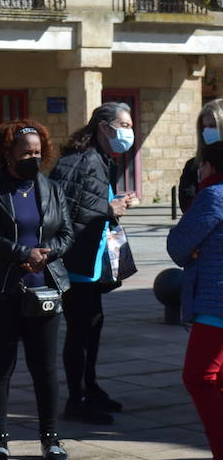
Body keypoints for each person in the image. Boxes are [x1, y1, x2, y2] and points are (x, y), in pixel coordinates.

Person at [0, 120, 74, 460]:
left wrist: (46, 252)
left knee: (44, 367)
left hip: (44, 288)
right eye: (26, 152)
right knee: (0, 365)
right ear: (7, 154)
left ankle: (50, 440)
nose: (33, 158)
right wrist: (20, 253)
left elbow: (67, 233)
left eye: (38, 152)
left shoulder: (51, 188)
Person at [51, 101, 137, 425]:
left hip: (94, 260)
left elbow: (91, 201)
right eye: (124, 125)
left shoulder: (102, 160)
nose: (129, 132)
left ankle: (90, 386)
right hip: (76, 262)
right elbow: (63, 209)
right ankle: (76, 399)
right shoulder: (80, 161)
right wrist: (107, 208)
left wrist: (113, 204)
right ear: (104, 127)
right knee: (79, 331)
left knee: (93, 326)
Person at [167, 140, 223, 460]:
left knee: (199, 377)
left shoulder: (213, 196)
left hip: (216, 303)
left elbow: (177, 245)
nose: (198, 171)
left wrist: (195, 250)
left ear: (211, 167)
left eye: (201, 165)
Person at [178, 98, 223, 215]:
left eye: (213, 126)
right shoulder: (194, 166)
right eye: (204, 127)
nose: (207, 131)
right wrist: (205, 184)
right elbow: (189, 210)